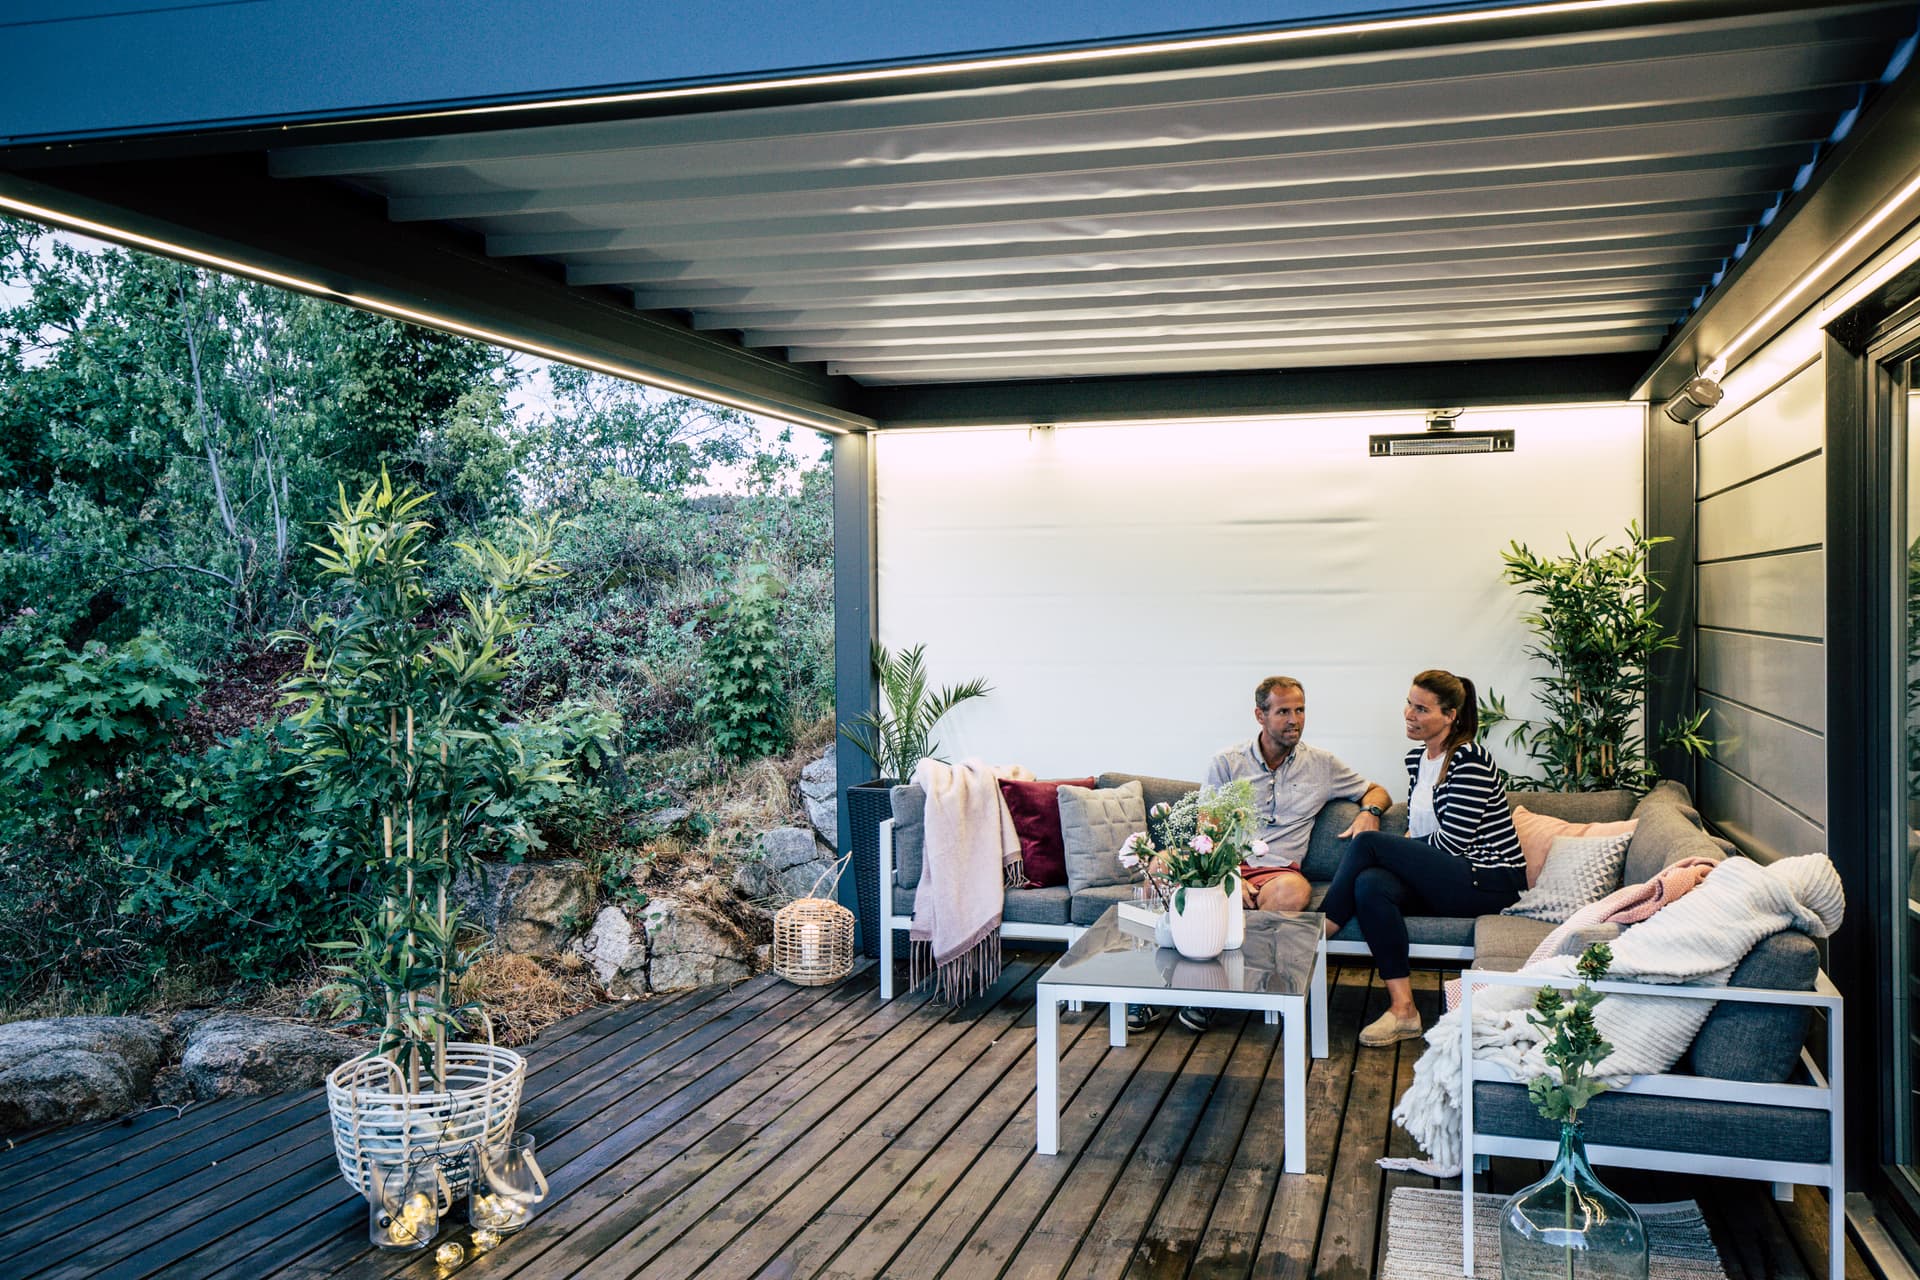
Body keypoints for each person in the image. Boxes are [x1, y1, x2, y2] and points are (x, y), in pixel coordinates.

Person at [1132, 675, 1391, 1034]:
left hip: (1277, 872)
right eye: (1283, 711)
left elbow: (1376, 791)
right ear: (1260, 715)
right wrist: (1229, 879)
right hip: (1222, 863)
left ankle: (1212, 993)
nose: (1294, 720)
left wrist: (1370, 813)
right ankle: (1147, 986)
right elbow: (1208, 831)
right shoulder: (1226, 762)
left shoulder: (1323, 765)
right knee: (1159, 863)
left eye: (1300, 710)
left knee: (1293, 892)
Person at [1319, 669, 1524, 1047]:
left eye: (1421, 709)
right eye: (1409, 704)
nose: (1408, 714)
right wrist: (1400, 856)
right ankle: (1404, 1012)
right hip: (1450, 878)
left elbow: (1453, 843)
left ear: (1450, 716)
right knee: (1370, 884)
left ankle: (1317, 934)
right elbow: (1416, 831)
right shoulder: (1418, 761)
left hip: (1490, 880)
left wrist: (1394, 852)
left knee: (1368, 845)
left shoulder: (1470, 758)